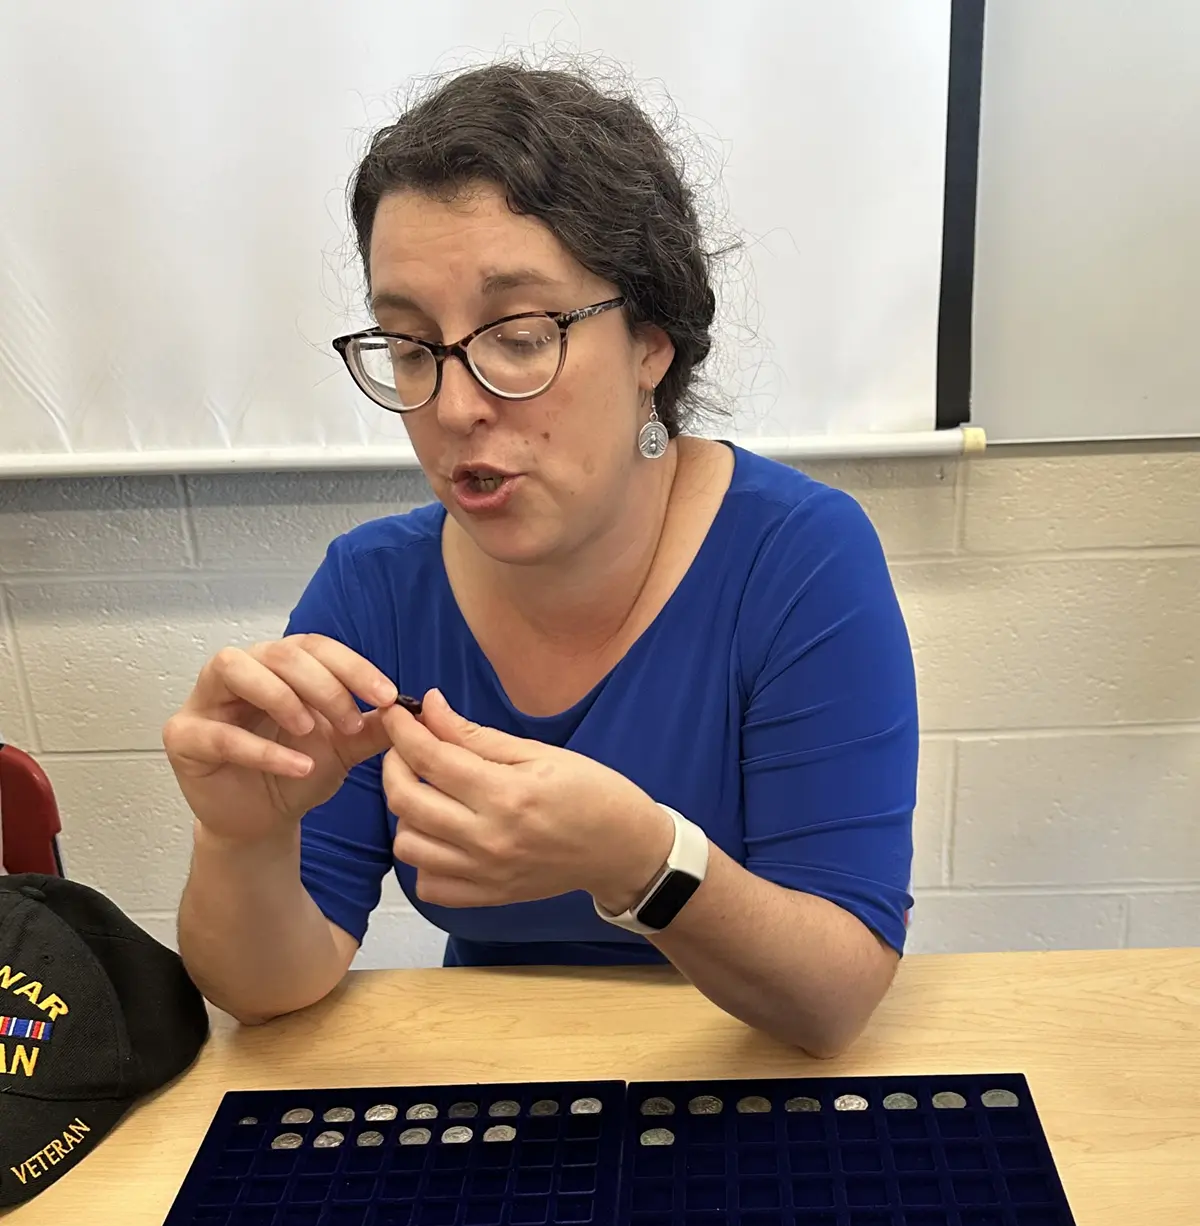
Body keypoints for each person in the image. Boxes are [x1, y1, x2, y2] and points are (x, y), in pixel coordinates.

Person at [163, 63, 918, 1056]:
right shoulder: (375, 588)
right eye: (410, 345)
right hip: (500, 1085)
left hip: (747, 1080)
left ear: (651, 342)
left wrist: (643, 859)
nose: (455, 404)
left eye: (518, 338)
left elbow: (834, 996)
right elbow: (271, 992)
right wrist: (241, 839)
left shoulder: (798, 560)